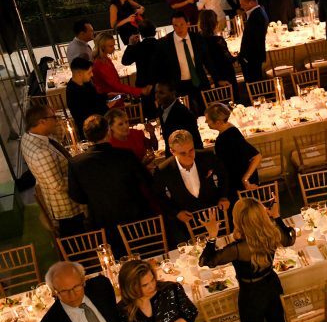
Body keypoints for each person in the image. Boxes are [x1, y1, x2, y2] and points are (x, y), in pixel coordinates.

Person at [67, 115, 153, 254]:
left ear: (87, 136)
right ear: (108, 131)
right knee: (144, 253)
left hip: (102, 221)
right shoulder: (125, 155)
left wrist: (96, 198)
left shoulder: (76, 163)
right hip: (134, 217)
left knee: (115, 259)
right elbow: (147, 181)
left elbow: (76, 196)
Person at [21, 104, 87, 236]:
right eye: (54, 117)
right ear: (42, 122)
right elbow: (58, 185)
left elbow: (57, 140)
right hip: (67, 206)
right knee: (78, 238)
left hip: (59, 200)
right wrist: (82, 178)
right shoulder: (41, 152)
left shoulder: (30, 136)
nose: (57, 119)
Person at [154, 130, 231, 236]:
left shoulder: (207, 156)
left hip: (214, 214)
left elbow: (224, 175)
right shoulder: (163, 170)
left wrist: (223, 196)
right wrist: (176, 212)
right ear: (172, 151)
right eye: (183, 153)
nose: (189, 155)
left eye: (191, 150)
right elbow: (159, 196)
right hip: (187, 221)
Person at [158, 12, 215, 111]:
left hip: (199, 81)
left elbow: (207, 60)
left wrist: (217, 78)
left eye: (181, 24)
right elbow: (161, 67)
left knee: (206, 109)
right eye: (175, 25)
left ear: (188, 24)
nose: (179, 28)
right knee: (185, 112)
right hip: (178, 85)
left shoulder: (197, 38)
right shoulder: (165, 42)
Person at [205, 102, 261, 194]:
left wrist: (245, 179)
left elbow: (257, 157)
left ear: (218, 122)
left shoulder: (231, 136)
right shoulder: (228, 127)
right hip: (235, 178)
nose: (205, 122)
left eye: (208, 120)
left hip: (241, 184)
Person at [90, 32, 149, 102]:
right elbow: (115, 85)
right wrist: (139, 91)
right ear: (102, 47)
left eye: (113, 45)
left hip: (114, 97)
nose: (114, 48)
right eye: (111, 46)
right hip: (110, 99)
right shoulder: (100, 63)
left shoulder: (105, 59)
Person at [121, 19, 161, 118]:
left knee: (149, 115)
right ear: (155, 32)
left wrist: (130, 45)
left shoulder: (138, 47)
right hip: (161, 84)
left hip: (144, 85)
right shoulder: (161, 44)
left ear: (141, 34)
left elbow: (125, 61)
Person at [65, 58, 115, 134]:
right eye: (89, 72)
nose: (92, 74)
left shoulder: (86, 83)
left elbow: (94, 98)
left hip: (101, 122)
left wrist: (107, 96)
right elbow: (85, 115)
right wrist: (107, 106)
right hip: (90, 130)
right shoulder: (72, 91)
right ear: (79, 73)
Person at [154, 81, 202, 155]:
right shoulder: (162, 109)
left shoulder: (184, 113)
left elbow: (195, 141)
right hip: (172, 154)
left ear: (173, 93)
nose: (157, 96)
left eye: (161, 93)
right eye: (156, 92)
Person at [199, 9, 237, 89]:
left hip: (214, 75)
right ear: (215, 23)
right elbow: (229, 59)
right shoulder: (218, 40)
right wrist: (238, 55)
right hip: (225, 73)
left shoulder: (199, 40)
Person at [238, 0, 270, 85]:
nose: (241, 7)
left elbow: (254, 39)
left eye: (243, 4)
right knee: (255, 83)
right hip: (254, 57)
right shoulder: (258, 12)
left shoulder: (257, 15)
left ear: (251, 3)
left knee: (254, 84)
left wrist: (245, 58)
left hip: (252, 57)